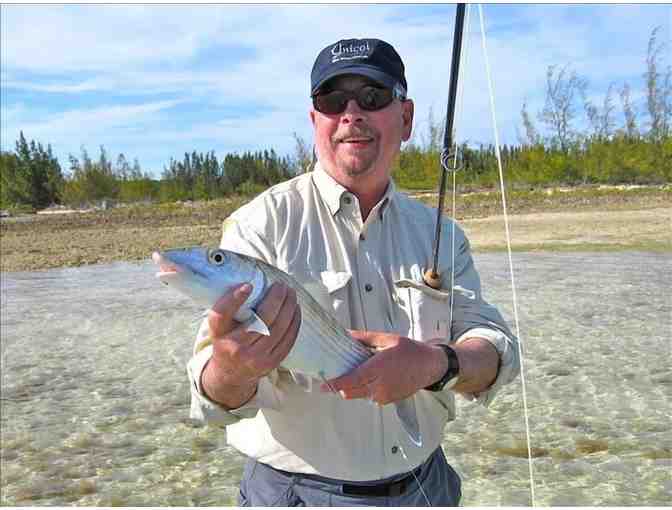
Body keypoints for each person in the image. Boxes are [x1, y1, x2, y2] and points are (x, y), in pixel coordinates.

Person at [186, 37, 520, 506]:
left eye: (372, 97)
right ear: (314, 120)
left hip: (427, 487)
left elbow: (497, 353)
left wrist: (436, 364)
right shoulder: (257, 225)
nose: (351, 114)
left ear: (405, 118)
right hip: (292, 494)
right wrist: (230, 367)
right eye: (331, 99)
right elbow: (210, 394)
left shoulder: (441, 233)